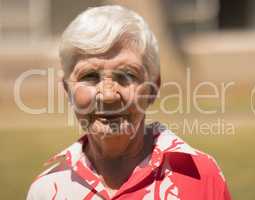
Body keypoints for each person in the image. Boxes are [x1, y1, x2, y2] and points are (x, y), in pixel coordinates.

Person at [27, 5, 231, 200]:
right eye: (89, 76)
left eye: (127, 75)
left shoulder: (199, 176)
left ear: (153, 88)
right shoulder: (46, 190)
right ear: (67, 90)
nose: (108, 96)